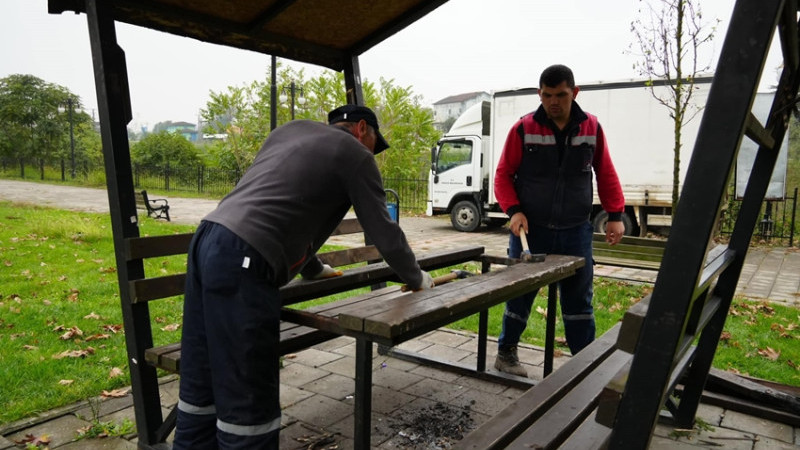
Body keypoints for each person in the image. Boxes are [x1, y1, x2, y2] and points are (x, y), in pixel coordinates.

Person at [172, 104, 435, 449]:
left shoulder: (289, 131)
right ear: (360, 129)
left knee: (200, 380)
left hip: (207, 240)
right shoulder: (355, 154)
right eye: (374, 142)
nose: (373, 152)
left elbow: (281, 207)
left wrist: (314, 267)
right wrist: (417, 278)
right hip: (245, 259)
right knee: (247, 399)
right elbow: (384, 233)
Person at [493, 64, 625, 377]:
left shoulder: (591, 128)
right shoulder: (523, 129)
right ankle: (506, 352)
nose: (554, 101)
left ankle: (585, 363)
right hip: (531, 231)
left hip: (575, 232)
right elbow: (502, 175)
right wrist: (514, 211)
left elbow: (605, 171)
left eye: (561, 95)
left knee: (579, 299)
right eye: (547, 95)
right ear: (540, 94)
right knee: (520, 294)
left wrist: (615, 215)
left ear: (574, 93)